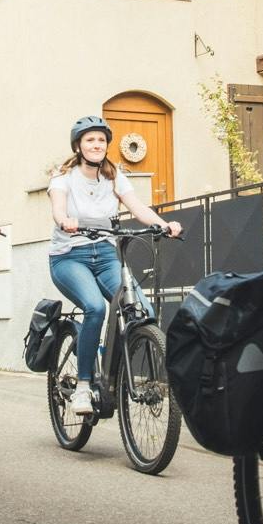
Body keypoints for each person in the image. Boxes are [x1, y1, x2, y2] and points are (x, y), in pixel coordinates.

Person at [47, 115, 184, 415]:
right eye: (90, 140)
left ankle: (111, 373)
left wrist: (163, 224)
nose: (96, 145)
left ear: (107, 145)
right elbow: (58, 208)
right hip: (70, 256)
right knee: (95, 307)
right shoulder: (63, 177)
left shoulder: (114, 176)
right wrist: (65, 221)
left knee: (142, 310)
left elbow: (137, 207)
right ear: (79, 146)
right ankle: (83, 386)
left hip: (107, 255)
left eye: (101, 140)